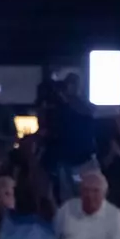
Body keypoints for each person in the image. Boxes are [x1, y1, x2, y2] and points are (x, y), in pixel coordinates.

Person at [41, 70, 100, 201]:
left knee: (91, 193)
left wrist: (68, 99)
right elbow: (48, 128)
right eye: (69, 83)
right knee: (67, 198)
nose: (71, 87)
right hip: (64, 158)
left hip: (84, 157)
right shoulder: (57, 107)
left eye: (75, 83)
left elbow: (90, 113)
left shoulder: (83, 105)